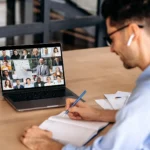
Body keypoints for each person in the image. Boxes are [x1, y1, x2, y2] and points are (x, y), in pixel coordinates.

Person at [21, 0, 150, 150]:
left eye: (111, 39)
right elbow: (141, 116)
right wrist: (98, 114)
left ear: (132, 33)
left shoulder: (146, 94)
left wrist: (45, 144)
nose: (112, 49)